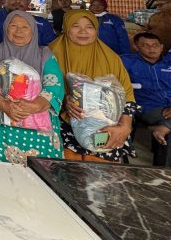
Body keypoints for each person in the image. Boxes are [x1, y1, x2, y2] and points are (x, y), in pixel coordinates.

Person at [50, 10, 137, 162]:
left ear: (96, 30)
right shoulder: (49, 54)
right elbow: (39, 90)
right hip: (62, 126)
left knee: (100, 173)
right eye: (76, 26)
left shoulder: (111, 58)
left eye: (89, 27)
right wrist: (63, 101)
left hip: (106, 128)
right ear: (66, 28)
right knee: (66, 171)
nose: (83, 31)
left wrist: (125, 126)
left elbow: (127, 94)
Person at [0, 11, 64, 165]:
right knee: (2, 170)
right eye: (13, 26)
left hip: (39, 125)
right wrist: (3, 104)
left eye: (25, 27)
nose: (19, 31)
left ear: (33, 31)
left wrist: (35, 105)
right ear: (5, 28)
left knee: (41, 170)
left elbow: (54, 85)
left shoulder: (45, 54)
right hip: (3, 122)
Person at [122, 32, 171, 167]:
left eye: (155, 45)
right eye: (146, 45)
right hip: (147, 107)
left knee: (169, 130)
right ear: (136, 47)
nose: (152, 48)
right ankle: (165, 174)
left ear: (162, 47)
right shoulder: (125, 62)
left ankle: (163, 127)